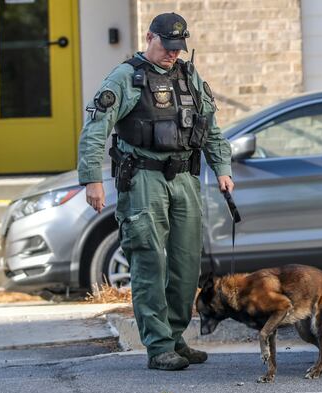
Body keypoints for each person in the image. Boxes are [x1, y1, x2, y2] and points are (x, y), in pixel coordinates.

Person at [77, 12, 234, 370]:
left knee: (185, 264)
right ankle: (159, 345)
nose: (173, 54)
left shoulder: (189, 76)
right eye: (167, 46)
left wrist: (222, 167)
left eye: (179, 48)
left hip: (184, 178)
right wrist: (92, 179)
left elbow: (209, 126)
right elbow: (96, 128)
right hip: (144, 178)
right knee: (149, 260)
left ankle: (176, 338)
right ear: (149, 37)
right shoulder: (125, 78)